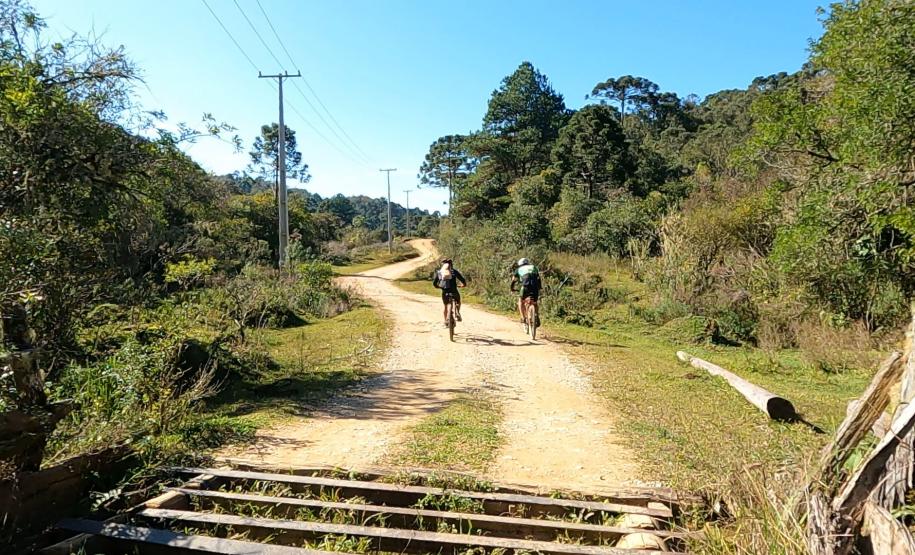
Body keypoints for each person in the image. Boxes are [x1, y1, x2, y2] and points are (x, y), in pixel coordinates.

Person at [433, 258, 466, 327]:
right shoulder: (454, 271)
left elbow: (435, 283)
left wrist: (438, 286)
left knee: (445, 306)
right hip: (454, 291)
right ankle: (457, 312)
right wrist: (463, 285)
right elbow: (462, 279)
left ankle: (446, 321)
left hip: (445, 292)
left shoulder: (440, 272)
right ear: (451, 264)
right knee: (458, 301)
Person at [510, 257, 541, 329]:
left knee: (520, 301)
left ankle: (523, 318)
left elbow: (513, 280)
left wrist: (512, 288)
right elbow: (538, 278)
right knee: (535, 302)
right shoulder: (534, 267)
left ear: (520, 264)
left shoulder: (518, 269)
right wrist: (539, 287)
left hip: (525, 286)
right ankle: (536, 315)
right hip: (535, 287)